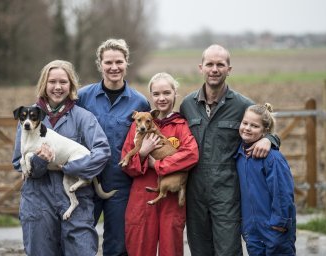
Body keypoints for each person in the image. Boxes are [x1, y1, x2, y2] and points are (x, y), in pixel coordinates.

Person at [179, 44, 280, 256]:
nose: (214, 69)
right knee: (200, 251)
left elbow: (265, 125)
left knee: (228, 251)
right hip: (194, 194)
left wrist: (270, 139)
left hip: (227, 194)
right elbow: (174, 137)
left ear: (229, 69)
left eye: (220, 64)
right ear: (201, 67)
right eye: (210, 64)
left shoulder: (243, 105)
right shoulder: (187, 105)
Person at [12, 60, 111, 256]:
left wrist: (67, 167)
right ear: (44, 84)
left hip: (75, 201)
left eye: (63, 82)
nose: (57, 87)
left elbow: (102, 152)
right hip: (38, 200)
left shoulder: (83, 117)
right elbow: (18, 161)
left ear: (71, 85)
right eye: (52, 82)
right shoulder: (28, 119)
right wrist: (40, 162)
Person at [77, 38, 150, 256]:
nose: (114, 67)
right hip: (86, 180)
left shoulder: (139, 103)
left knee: (118, 245)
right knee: (80, 240)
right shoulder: (82, 97)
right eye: (108, 62)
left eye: (119, 61)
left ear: (127, 62)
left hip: (121, 183)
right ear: (100, 65)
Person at [121, 72, 199, 256]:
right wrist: (142, 153)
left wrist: (157, 165)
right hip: (142, 196)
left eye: (166, 93)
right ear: (150, 96)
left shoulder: (180, 125)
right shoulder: (139, 123)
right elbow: (126, 163)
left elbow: (191, 155)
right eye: (156, 94)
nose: (161, 98)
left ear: (175, 94)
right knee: (139, 247)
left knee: (170, 249)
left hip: (171, 199)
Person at [236, 103, 296, 255]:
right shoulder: (239, 155)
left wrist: (280, 223)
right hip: (252, 230)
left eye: (254, 126)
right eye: (245, 123)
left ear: (265, 130)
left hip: (274, 229)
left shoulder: (273, 159)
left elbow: (282, 192)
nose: (247, 128)